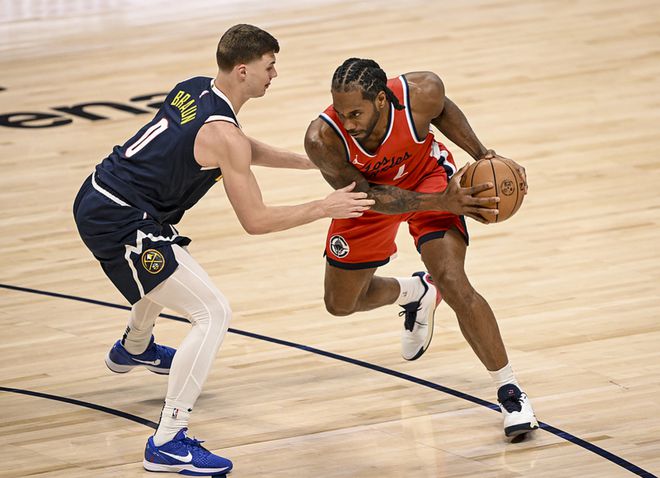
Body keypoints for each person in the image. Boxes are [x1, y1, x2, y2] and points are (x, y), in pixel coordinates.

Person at [73, 26, 373, 476]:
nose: (275, 74)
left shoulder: (195, 89)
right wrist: (324, 206)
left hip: (102, 194)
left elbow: (241, 148)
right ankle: (168, 441)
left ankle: (135, 347)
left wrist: (312, 163)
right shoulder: (224, 136)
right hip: (120, 221)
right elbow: (256, 220)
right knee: (212, 312)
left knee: (169, 271)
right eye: (270, 66)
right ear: (243, 70)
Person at [304, 58, 538, 438]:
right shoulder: (322, 139)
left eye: (356, 113)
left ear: (381, 100)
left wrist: (485, 156)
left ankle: (509, 390)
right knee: (341, 303)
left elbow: (442, 110)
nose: (347, 122)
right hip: (371, 201)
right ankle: (416, 292)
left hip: (428, 178)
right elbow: (369, 196)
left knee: (453, 282)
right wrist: (441, 203)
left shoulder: (421, 91)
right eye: (341, 112)